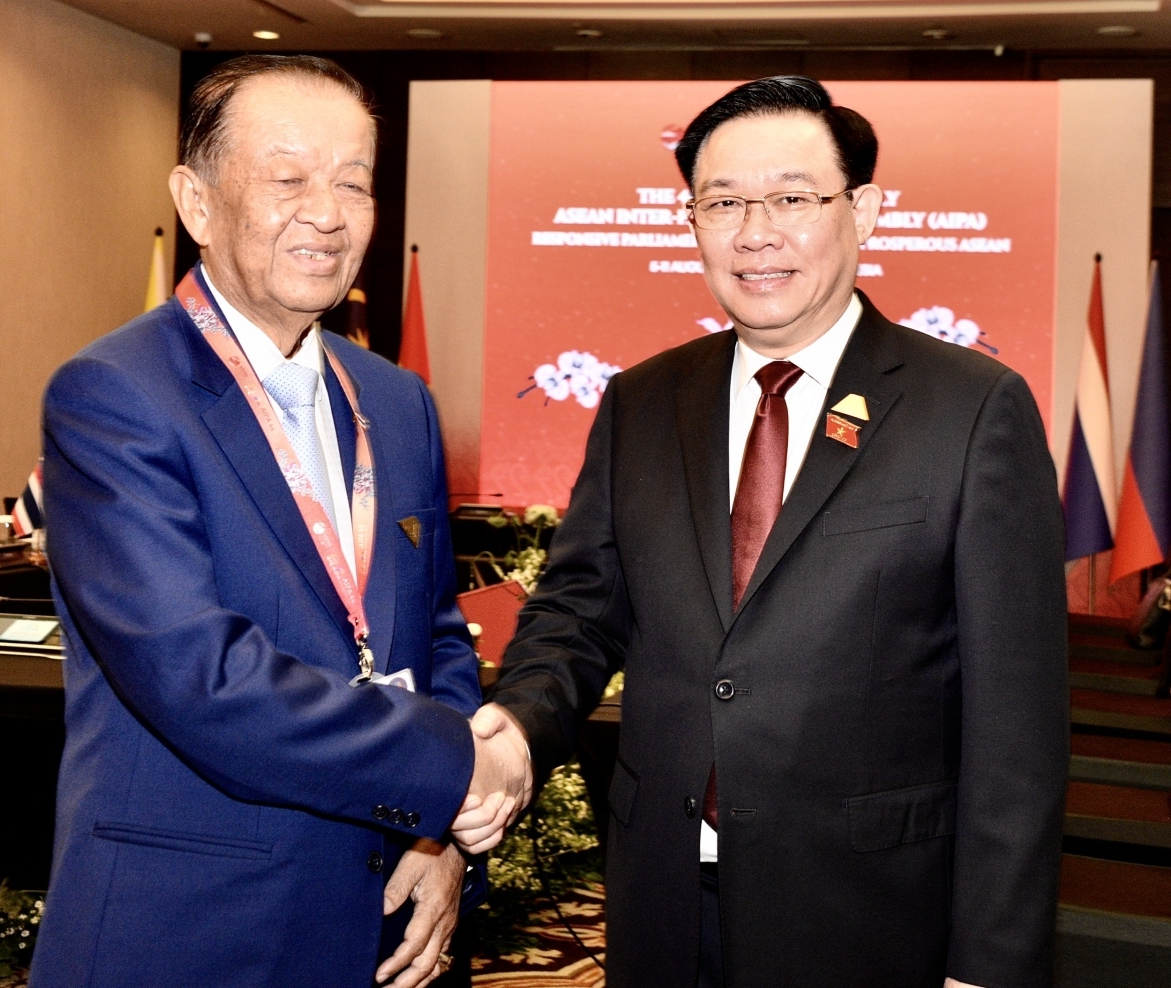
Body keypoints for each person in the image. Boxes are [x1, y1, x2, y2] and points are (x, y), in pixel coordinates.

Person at [454, 77, 1068, 988]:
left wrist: (990, 961)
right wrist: (514, 728)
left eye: (792, 198)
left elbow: (1017, 720)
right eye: (725, 202)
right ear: (690, 219)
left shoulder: (974, 409)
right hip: (660, 895)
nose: (755, 232)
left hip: (871, 909)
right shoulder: (643, 400)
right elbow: (581, 611)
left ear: (862, 211)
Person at [30, 55, 525, 988]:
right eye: (288, 178)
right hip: (194, 928)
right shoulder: (116, 395)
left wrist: (439, 833)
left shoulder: (396, 399)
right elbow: (198, 676)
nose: (328, 213)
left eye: (353, 183)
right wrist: (456, 766)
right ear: (198, 201)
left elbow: (433, 634)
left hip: (383, 916)